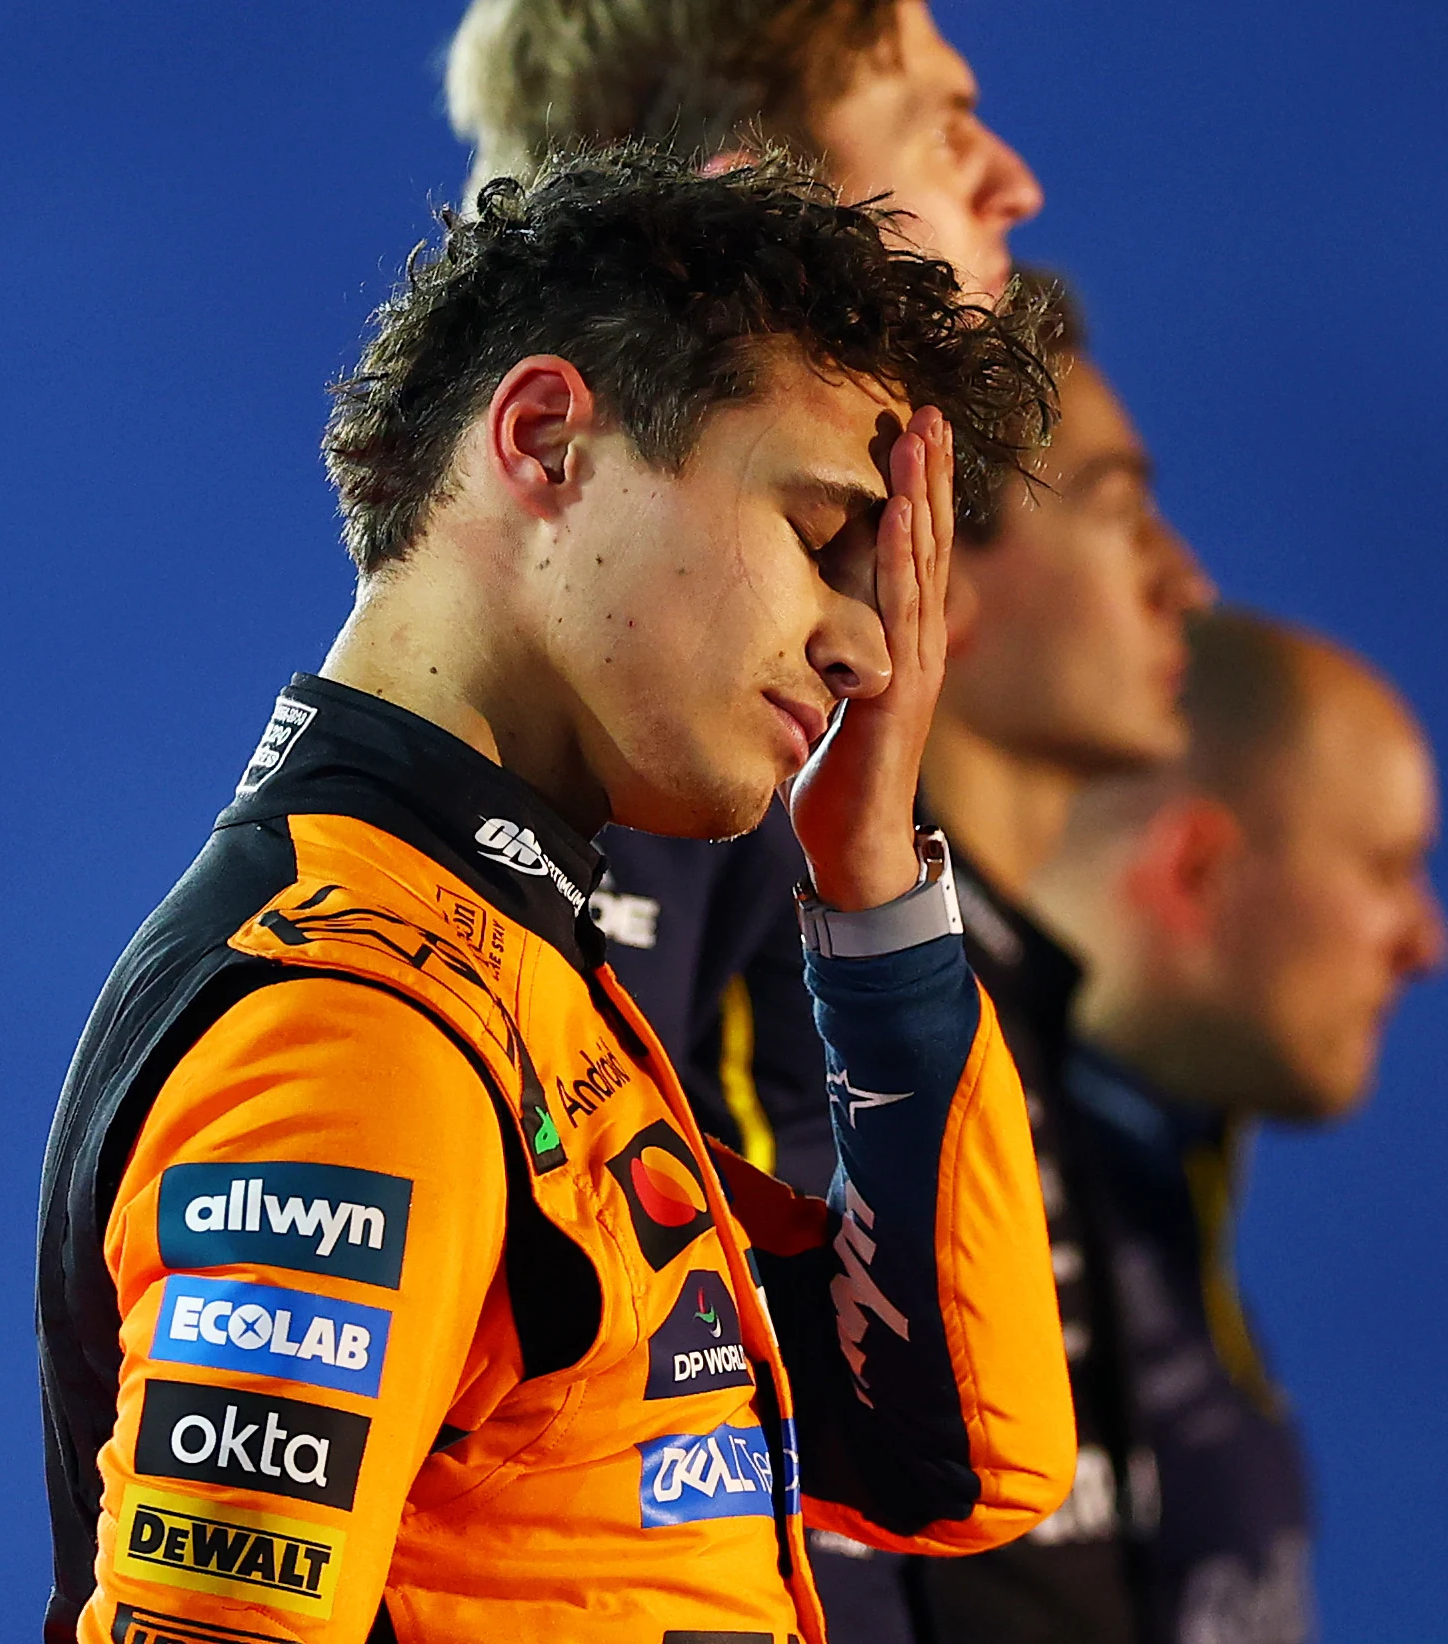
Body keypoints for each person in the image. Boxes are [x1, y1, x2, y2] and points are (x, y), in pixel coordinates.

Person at [32, 149, 1078, 1644]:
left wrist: (868, 893)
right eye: (811, 531)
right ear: (541, 440)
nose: (866, 647)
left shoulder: (501, 981)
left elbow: (952, 1457)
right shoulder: (361, 1023)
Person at [446, 10, 1213, 1642]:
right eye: (937, 128)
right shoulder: (661, 752)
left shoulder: (775, 739)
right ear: (752, 208)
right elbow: (565, 1426)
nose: (1013, 178)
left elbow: (958, 1437)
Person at [1024, 610, 1448, 1644]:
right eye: (1388, 868)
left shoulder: (1158, 1186)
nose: (1427, 944)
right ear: (1195, 873)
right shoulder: (927, 1214)